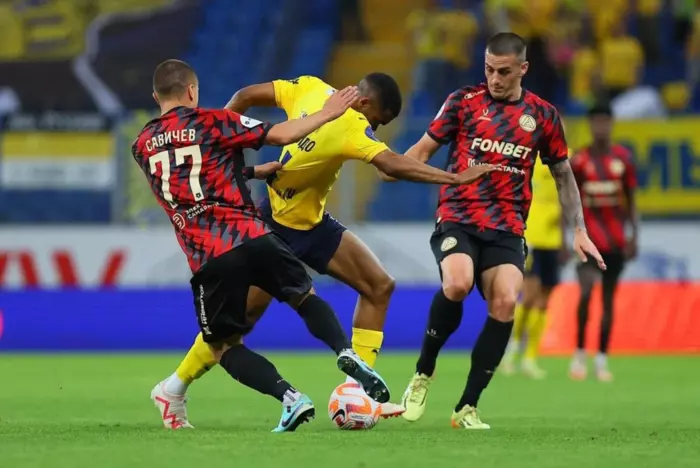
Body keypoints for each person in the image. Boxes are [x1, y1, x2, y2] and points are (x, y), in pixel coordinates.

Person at [150, 72, 494, 428]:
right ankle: (173, 388)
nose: (374, 128)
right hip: (270, 227)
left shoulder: (309, 87)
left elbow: (245, 93)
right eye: (378, 120)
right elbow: (389, 166)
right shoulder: (353, 124)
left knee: (379, 285)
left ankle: (355, 393)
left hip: (313, 225)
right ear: (364, 103)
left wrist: (221, 146)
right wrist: (454, 178)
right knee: (239, 324)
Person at [135, 59, 393, 432]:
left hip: (208, 253)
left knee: (225, 346)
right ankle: (345, 351)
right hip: (255, 234)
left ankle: (290, 397)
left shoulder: (140, 145)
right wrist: (328, 112)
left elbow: (193, 178)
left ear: (154, 96)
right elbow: (282, 135)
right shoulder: (214, 122)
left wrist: (251, 172)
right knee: (303, 296)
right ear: (192, 91)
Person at [394, 32, 606, 429]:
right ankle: (423, 373)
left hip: (507, 226)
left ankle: (467, 407)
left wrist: (579, 229)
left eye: (504, 72)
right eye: (489, 69)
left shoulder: (542, 116)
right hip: (459, 215)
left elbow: (563, 175)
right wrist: (393, 165)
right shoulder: (463, 102)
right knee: (457, 283)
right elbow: (421, 151)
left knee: (507, 301)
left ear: (523, 69)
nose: (495, 78)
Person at [569, 103, 638, 382]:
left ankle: (601, 359)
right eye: (596, 122)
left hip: (615, 241)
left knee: (608, 300)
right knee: (586, 293)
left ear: (611, 124)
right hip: (589, 241)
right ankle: (579, 353)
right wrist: (567, 237)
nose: (600, 127)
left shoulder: (623, 159)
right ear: (590, 125)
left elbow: (631, 200)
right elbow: (570, 200)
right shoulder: (580, 161)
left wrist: (634, 236)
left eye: (604, 122)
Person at [502, 158, 569, 379]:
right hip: (532, 237)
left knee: (544, 300)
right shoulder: (528, 157)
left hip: (553, 241)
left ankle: (530, 358)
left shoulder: (565, 159)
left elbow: (567, 199)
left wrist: (564, 241)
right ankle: (511, 352)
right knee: (529, 297)